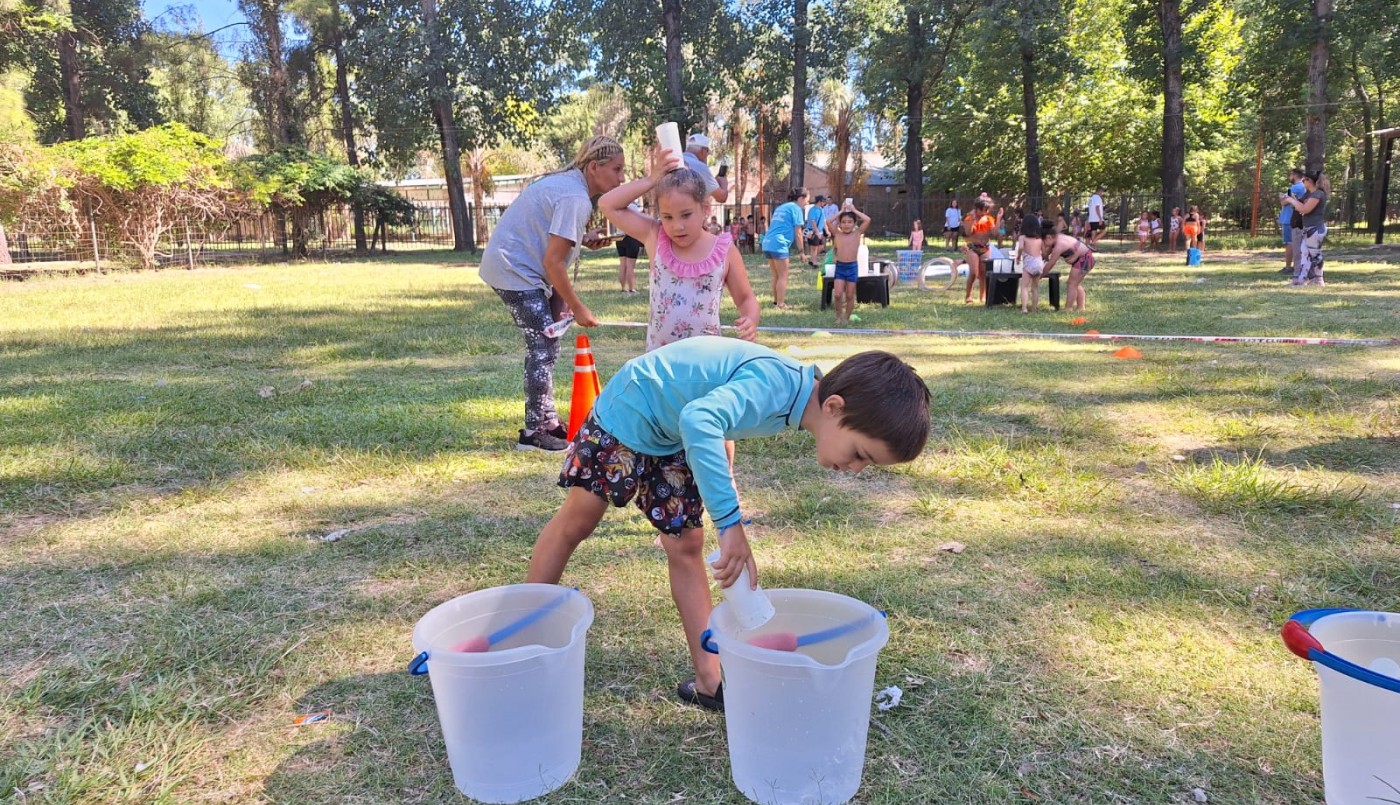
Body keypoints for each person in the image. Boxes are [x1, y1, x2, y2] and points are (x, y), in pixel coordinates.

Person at [524, 336, 932, 711]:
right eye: (861, 454)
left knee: (685, 545)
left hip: (673, 432)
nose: (856, 468)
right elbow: (701, 419)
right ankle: (524, 631)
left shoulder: (794, 400)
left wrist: (723, 475)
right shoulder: (777, 386)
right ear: (834, 407)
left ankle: (709, 680)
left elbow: (719, 413)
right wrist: (730, 524)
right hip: (633, 409)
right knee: (577, 522)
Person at [480, 135, 625, 452]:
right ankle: (533, 433)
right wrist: (578, 306)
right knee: (542, 346)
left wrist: (583, 237)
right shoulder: (575, 197)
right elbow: (553, 260)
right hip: (514, 270)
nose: (621, 178)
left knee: (546, 344)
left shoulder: (570, 188)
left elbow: (552, 239)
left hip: (521, 267)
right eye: (616, 169)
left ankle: (546, 420)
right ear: (594, 167)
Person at [599, 146, 760, 351]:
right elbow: (607, 204)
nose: (677, 226)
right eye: (667, 217)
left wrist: (750, 320)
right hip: (660, 364)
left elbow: (746, 298)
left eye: (686, 215)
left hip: (705, 363)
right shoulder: (655, 236)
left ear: (705, 208)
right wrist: (651, 180)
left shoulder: (724, 251)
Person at [760, 187, 808, 309]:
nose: (807, 203)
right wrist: (802, 252)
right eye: (807, 199)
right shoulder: (796, 209)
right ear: (801, 198)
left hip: (768, 242)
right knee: (783, 276)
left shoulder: (782, 207)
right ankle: (781, 304)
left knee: (776, 275)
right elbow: (798, 233)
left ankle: (776, 302)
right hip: (778, 243)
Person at [825, 201, 871, 326]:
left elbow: (867, 219)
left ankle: (847, 317)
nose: (846, 225)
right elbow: (828, 222)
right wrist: (841, 211)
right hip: (840, 267)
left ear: (854, 224)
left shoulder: (857, 234)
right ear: (839, 224)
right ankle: (839, 316)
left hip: (852, 267)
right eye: (844, 222)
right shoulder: (837, 234)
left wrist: (854, 210)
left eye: (849, 222)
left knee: (850, 295)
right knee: (838, 294)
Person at [1281, 169, 1329, 286]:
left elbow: (1304, 209)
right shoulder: (1310, 194)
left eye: (1304, 179)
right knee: (1305, 254)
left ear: (1310, 181)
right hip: (1308, 228)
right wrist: (1293, 200)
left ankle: (1318, 280)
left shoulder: (1318, 194)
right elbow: (1300, 207)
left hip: (1315, 228)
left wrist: (1291, 200)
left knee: (1315, 254)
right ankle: (1302, 279)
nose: (1303, 181)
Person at [1040, 226, 1095, 313]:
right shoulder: (1056, 238)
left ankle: (1068, 309)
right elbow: (1047, 253)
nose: (1044, 245)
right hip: (1083, 258)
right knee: (1075, 284)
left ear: (1049, 237)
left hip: (1084, 259)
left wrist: (1040, 275)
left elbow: (1050, 264)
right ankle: (1081, 307)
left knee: (1072, 284)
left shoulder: (1059, 245)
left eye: (1044, 242)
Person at [960, 198, 997, 304]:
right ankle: (968, 296)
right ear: (976, 209)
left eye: (987, 210)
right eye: (983, 210)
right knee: (974, 273)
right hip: (972, 248)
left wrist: (998, 219)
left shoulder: (989, 219)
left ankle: (983, 296)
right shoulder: (969, 218)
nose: (985, 212)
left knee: (983, 274)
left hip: (985, 248)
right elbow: (968, 232)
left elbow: (994, 233)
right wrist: (972, 219)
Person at [682, 133, 729, 204]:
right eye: (707, 151)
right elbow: (721, 197)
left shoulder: (675, 160)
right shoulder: (700, 167)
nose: (707, 155)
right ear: (703, 150)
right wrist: (724, 184)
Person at [1017, 212, 1046, 313]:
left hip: (1029, 263)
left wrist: (1018, 256)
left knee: (1024, 286)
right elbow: (1044, 252)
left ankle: (1024, 308)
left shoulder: (1023, 237)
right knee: (1035, 288)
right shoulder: (1039, 239)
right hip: (1038, 263)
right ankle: (1034, 308)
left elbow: (1020, 247)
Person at [1280, 168, 1305, 275]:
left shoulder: (1295, 187)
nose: (1289, 178)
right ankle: (1299, 265)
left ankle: (1288, 266)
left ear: (1294, 175)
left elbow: (1283, 202)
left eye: (1290, 175)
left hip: (1289, 218)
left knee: (1289, 243)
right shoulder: (1304, 187)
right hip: (1299, 218)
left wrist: (1281, 197)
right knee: (1299, 242)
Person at [803, 195, 828, 268]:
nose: (824, 203)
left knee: (821, 247)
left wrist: (827, 230)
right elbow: (813, 222)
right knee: (814, 247)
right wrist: (817, 232)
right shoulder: (813, 210)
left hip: (820, 231)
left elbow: (824, 221)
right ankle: (814, 263)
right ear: (819, 201)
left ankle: (812, 259)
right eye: (823, 202)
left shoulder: (821, 210)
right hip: (812, 232)